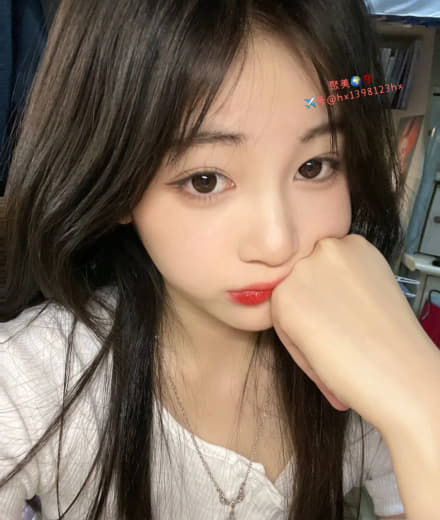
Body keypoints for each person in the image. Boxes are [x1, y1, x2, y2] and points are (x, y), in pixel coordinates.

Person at [0, 0, 439, 519]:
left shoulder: (363, 353)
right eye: (205, 180)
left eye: (315, 166)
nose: (276, 243)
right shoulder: (32, 379)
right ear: (117, 183)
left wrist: (421, 398)